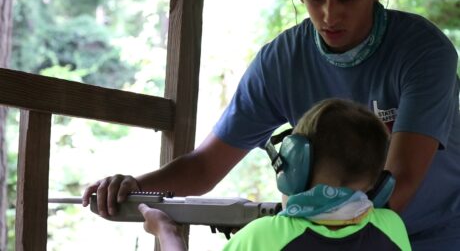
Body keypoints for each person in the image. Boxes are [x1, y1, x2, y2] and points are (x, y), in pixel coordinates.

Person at [82, 0, 460, 249]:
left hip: (440, 233)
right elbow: (204, 168)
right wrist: (134, 187)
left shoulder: (423, 51)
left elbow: (399, 184)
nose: (330, 15)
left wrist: (289, 228)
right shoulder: (280, 62)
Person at [138, 99, 411, 251]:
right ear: (378, 181)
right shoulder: (392, 228)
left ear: (295, 166)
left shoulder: (262, 236)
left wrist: (167, 232)